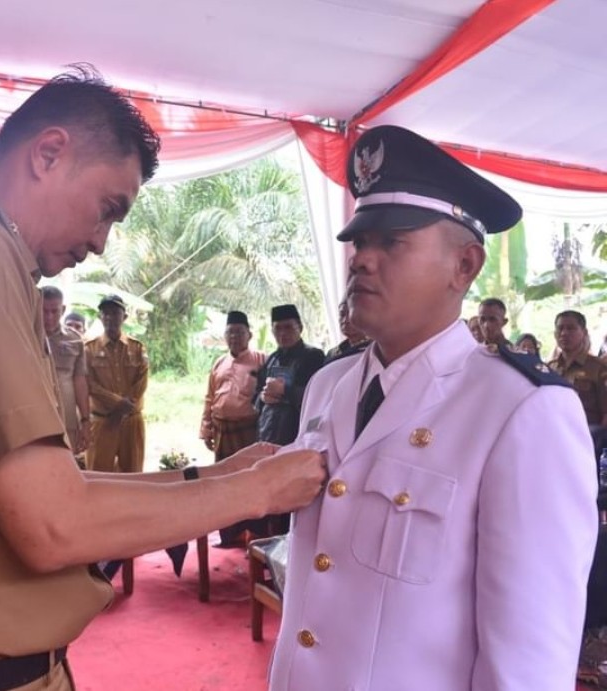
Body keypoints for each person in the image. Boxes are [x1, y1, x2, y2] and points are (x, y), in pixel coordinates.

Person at [0, 67, 326, 691]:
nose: (99, 242)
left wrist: (218, 474)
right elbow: (54, 523)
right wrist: (257, 492)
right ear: (49, 153)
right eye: (107, 210)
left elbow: (48, 488)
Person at [269, 125, 597, 691]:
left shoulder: (521, 410)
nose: (361, 260)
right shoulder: (328, 385)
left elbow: (528, 663)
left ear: (464, 266)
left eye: (391, 242)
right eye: (359, 241)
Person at [254, 304, 325, 535]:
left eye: (288, 327)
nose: (282, 333)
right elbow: (257, 397)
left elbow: (317, 397)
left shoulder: (313, 357)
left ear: (300, 328)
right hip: (268, 432)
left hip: (295, 434)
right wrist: (263, 398)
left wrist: (285, 391)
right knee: (267, 490)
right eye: (277, 329)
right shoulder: (271, 359)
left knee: (291, 494)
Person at [200, 310, 266, 546]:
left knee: (250, 480)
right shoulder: (219, 362)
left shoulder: (262, 360)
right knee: (223, 481)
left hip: (248, 431)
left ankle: (254, 534)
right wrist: (206, 429)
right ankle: (228, 535)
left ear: (249, 335)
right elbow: (210, 397)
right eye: (230, 333)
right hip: (222, 430)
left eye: (239, 332)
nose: (234, 337)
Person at [85, 294, 148, 474]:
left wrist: (122, 410)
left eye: (115, 313)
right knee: (98, 476)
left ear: (124, 317)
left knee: (133, 475)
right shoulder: (89, 349)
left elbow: (141, 381)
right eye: (105, 313)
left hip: (131, 422)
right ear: (99, 317)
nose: (110, 317)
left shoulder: (137, 348)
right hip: (103, 422)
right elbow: (89, 384)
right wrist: (118, 404)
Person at [42, 285, 91, 455]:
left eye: (54, 311)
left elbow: (80, 381)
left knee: (66, 459)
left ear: (62, 310)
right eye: (44, 311)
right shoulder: (25, 336)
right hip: (35, 419)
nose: (49, 317)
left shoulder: (74, 340)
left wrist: (85, 420)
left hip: (66, 417)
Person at [548, 310, 607, 430]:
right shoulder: (549, 368)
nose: (564, 333)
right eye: (560, 328)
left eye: (571, 328)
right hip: (555, 431)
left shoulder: (599, 368)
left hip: (589, 434)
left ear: (584, 333)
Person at [324, 297, 371, 363]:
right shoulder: (332, 354)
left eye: (351, 314)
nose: (345, 320)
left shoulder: (374, 350)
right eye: (342, 314)